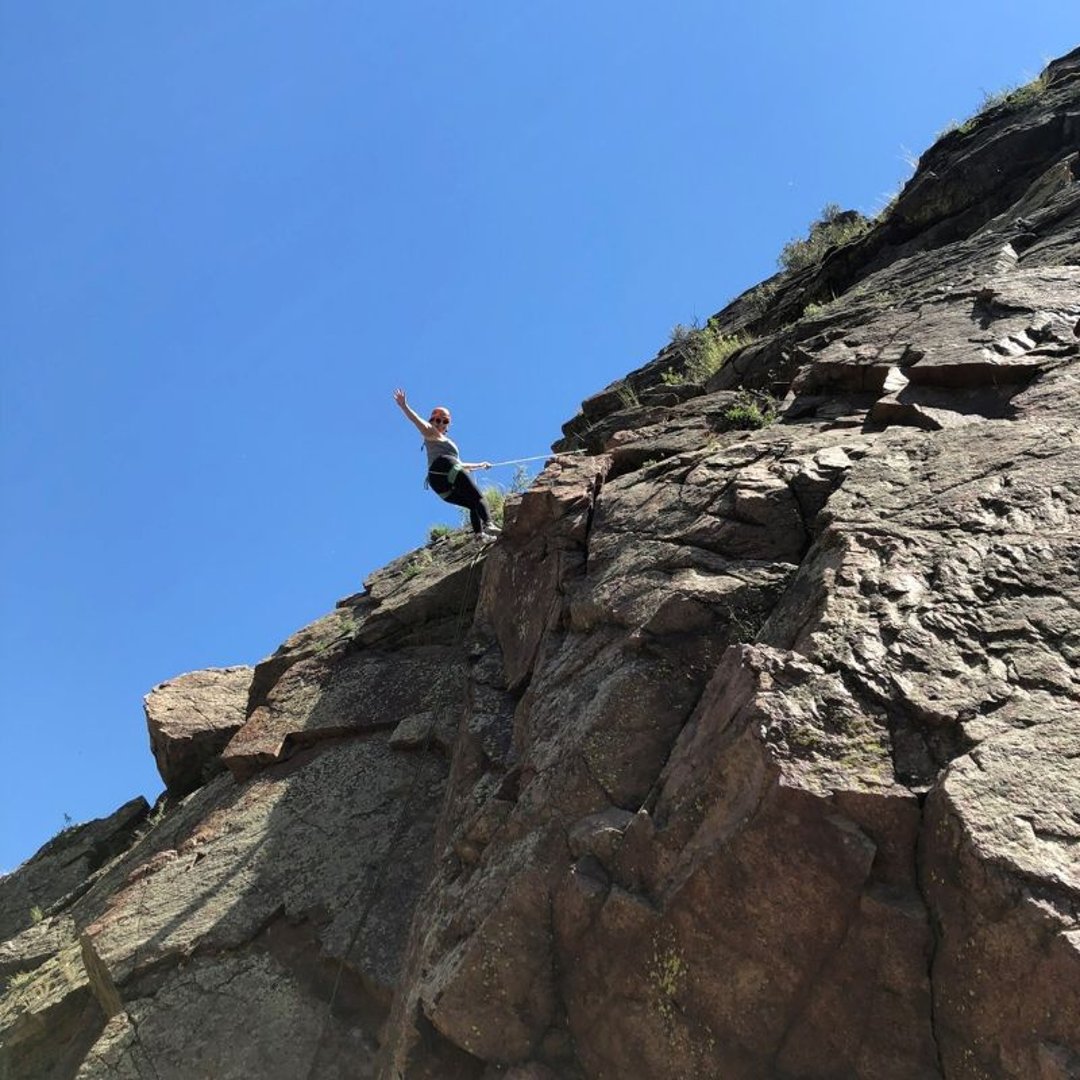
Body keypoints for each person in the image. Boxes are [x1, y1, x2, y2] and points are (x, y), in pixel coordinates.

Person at [393, 389, 500, 540]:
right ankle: (489, 524)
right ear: (431, 421)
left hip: (440, 484)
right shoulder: (430, 433)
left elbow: (459, 465)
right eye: (437, 420)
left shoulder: (446, 443)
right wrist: (404, 406)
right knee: (478, 496)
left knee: (472, 503)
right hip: (442, 468)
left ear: (448, 424)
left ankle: (479, 536)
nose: (440, 423)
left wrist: (480, 465)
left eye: (444, 421)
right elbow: (417, 420)